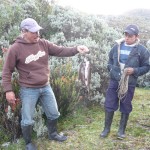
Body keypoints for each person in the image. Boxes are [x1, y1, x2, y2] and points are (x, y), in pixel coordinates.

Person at [2, 18, 89, 150]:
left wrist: (76, 48)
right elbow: (7, 71)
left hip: (45, 86)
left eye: (38, 31)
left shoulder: (43, 43)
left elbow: (60, 50)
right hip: (28, 89)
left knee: (54, 113)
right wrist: (8, 90)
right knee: (27, 119)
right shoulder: (15, 48)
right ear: (24, 31)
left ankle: (53, 134)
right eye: (33, 32)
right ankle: (28, 143)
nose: (37, 34)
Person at [100, 24, 150, 140]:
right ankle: (106, 129)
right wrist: (111, 69)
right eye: (126, 35)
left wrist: (134, 70)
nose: (127, 37)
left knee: (126, 104)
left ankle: (121, 130)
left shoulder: (142, 50)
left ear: (137, 36)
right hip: (114, 79)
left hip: (129, 82)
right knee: (109, 103)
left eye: (130, 36)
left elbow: (147, 66)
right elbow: (110, 59)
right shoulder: (117, 46)